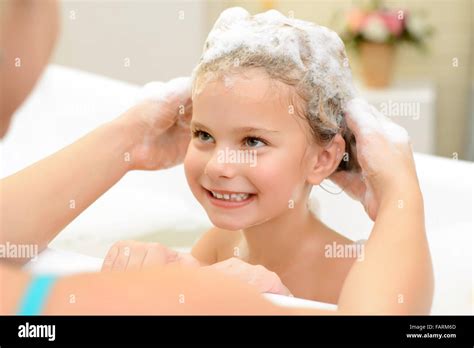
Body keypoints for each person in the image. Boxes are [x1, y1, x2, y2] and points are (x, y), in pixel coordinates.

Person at [0, 1, 433, 315]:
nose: (220, 164)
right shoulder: (219, 244)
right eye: (204, 134)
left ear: (322, 159)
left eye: (253, 142)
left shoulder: (352, 269)